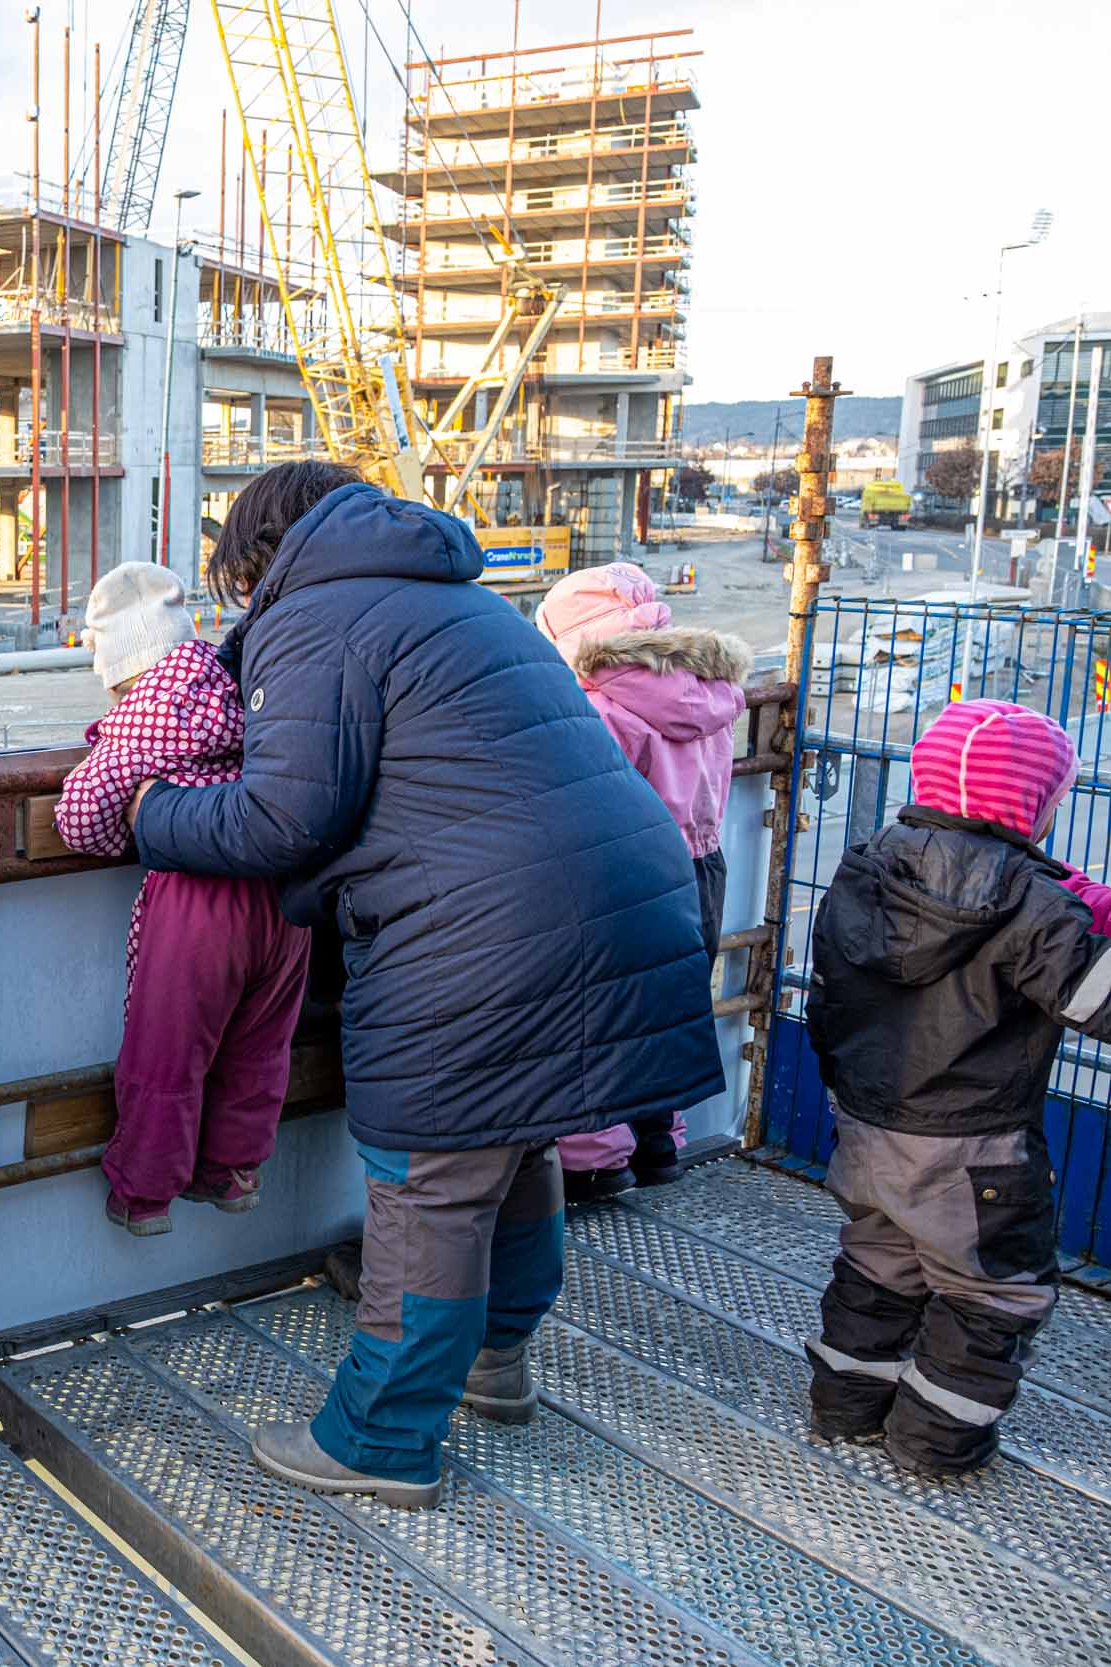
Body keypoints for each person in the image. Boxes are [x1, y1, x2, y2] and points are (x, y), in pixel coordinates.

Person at [127, 463, 720, 1508]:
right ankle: (495, 1360)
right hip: (625, 890)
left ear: (262, 552)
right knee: (520, 1130)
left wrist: (150, 812)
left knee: (428, 1179)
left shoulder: (316, 614)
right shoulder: (456, 596)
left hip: (491, 929)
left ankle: (380, 1436)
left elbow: (282, 818)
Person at [807, 698, 1111, 1477]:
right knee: (989, 1294)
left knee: (880, 1261)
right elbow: (1097, 999)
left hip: (866, 1122)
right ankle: (933, 1446)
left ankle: (844, 1408)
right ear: (1035, 805)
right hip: (976, 1143)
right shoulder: (1034, 900)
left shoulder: (866, 863)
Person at [53, 562, 313, 1236]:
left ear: (116, 672)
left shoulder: (140, 720)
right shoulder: (241, 684)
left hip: (199, 902)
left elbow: (78, 817)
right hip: (281, 893)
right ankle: (231, 1171)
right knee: (260, 1045)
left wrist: (134, 822)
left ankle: (145, 1195)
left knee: (165, 1053)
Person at [534, 561, 753, 1200]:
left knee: (597, 1014)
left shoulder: (597, 707)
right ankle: (659, 1142)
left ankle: (596, 1159)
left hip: (627, 875)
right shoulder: (703, 691)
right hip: (700, 867)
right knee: (671, 1008)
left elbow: (583, 802)